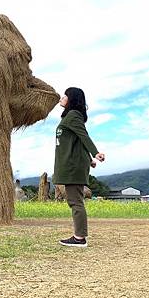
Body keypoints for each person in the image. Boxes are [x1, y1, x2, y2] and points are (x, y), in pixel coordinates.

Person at [53, 87, 105, 248]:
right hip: (71, 163)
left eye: (65, 96)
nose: (62, 98)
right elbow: (77, 141)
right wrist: (89, 159)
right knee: (74, 200)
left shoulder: (73, 115)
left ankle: (80, 237)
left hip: (72, 165)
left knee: (75, 201)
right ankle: (79, 236)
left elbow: (84, 136)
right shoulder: (68, 117)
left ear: (72, 99)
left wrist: (95, 153)